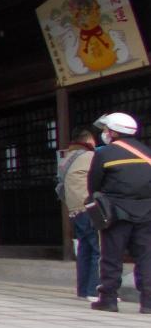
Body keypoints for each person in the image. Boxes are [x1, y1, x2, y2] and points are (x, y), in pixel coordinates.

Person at [88, 112, 151, 313]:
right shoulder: (146, 152)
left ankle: (108, 299)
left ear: (113, 132)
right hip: (146, 212)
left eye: (106, 129)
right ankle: (148, 302)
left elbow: (93, 185)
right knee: (146, 256)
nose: (104, 133)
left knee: (111, 256)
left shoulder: (104, 153)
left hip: (116, 212)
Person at [58, 127, 101, 302]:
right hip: (89, 207)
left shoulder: (67, 159)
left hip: (75, 209)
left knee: (84, 248)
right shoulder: (90, 157)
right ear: (89, 142)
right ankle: (95, 290)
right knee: (98, 249)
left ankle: (83, 289)